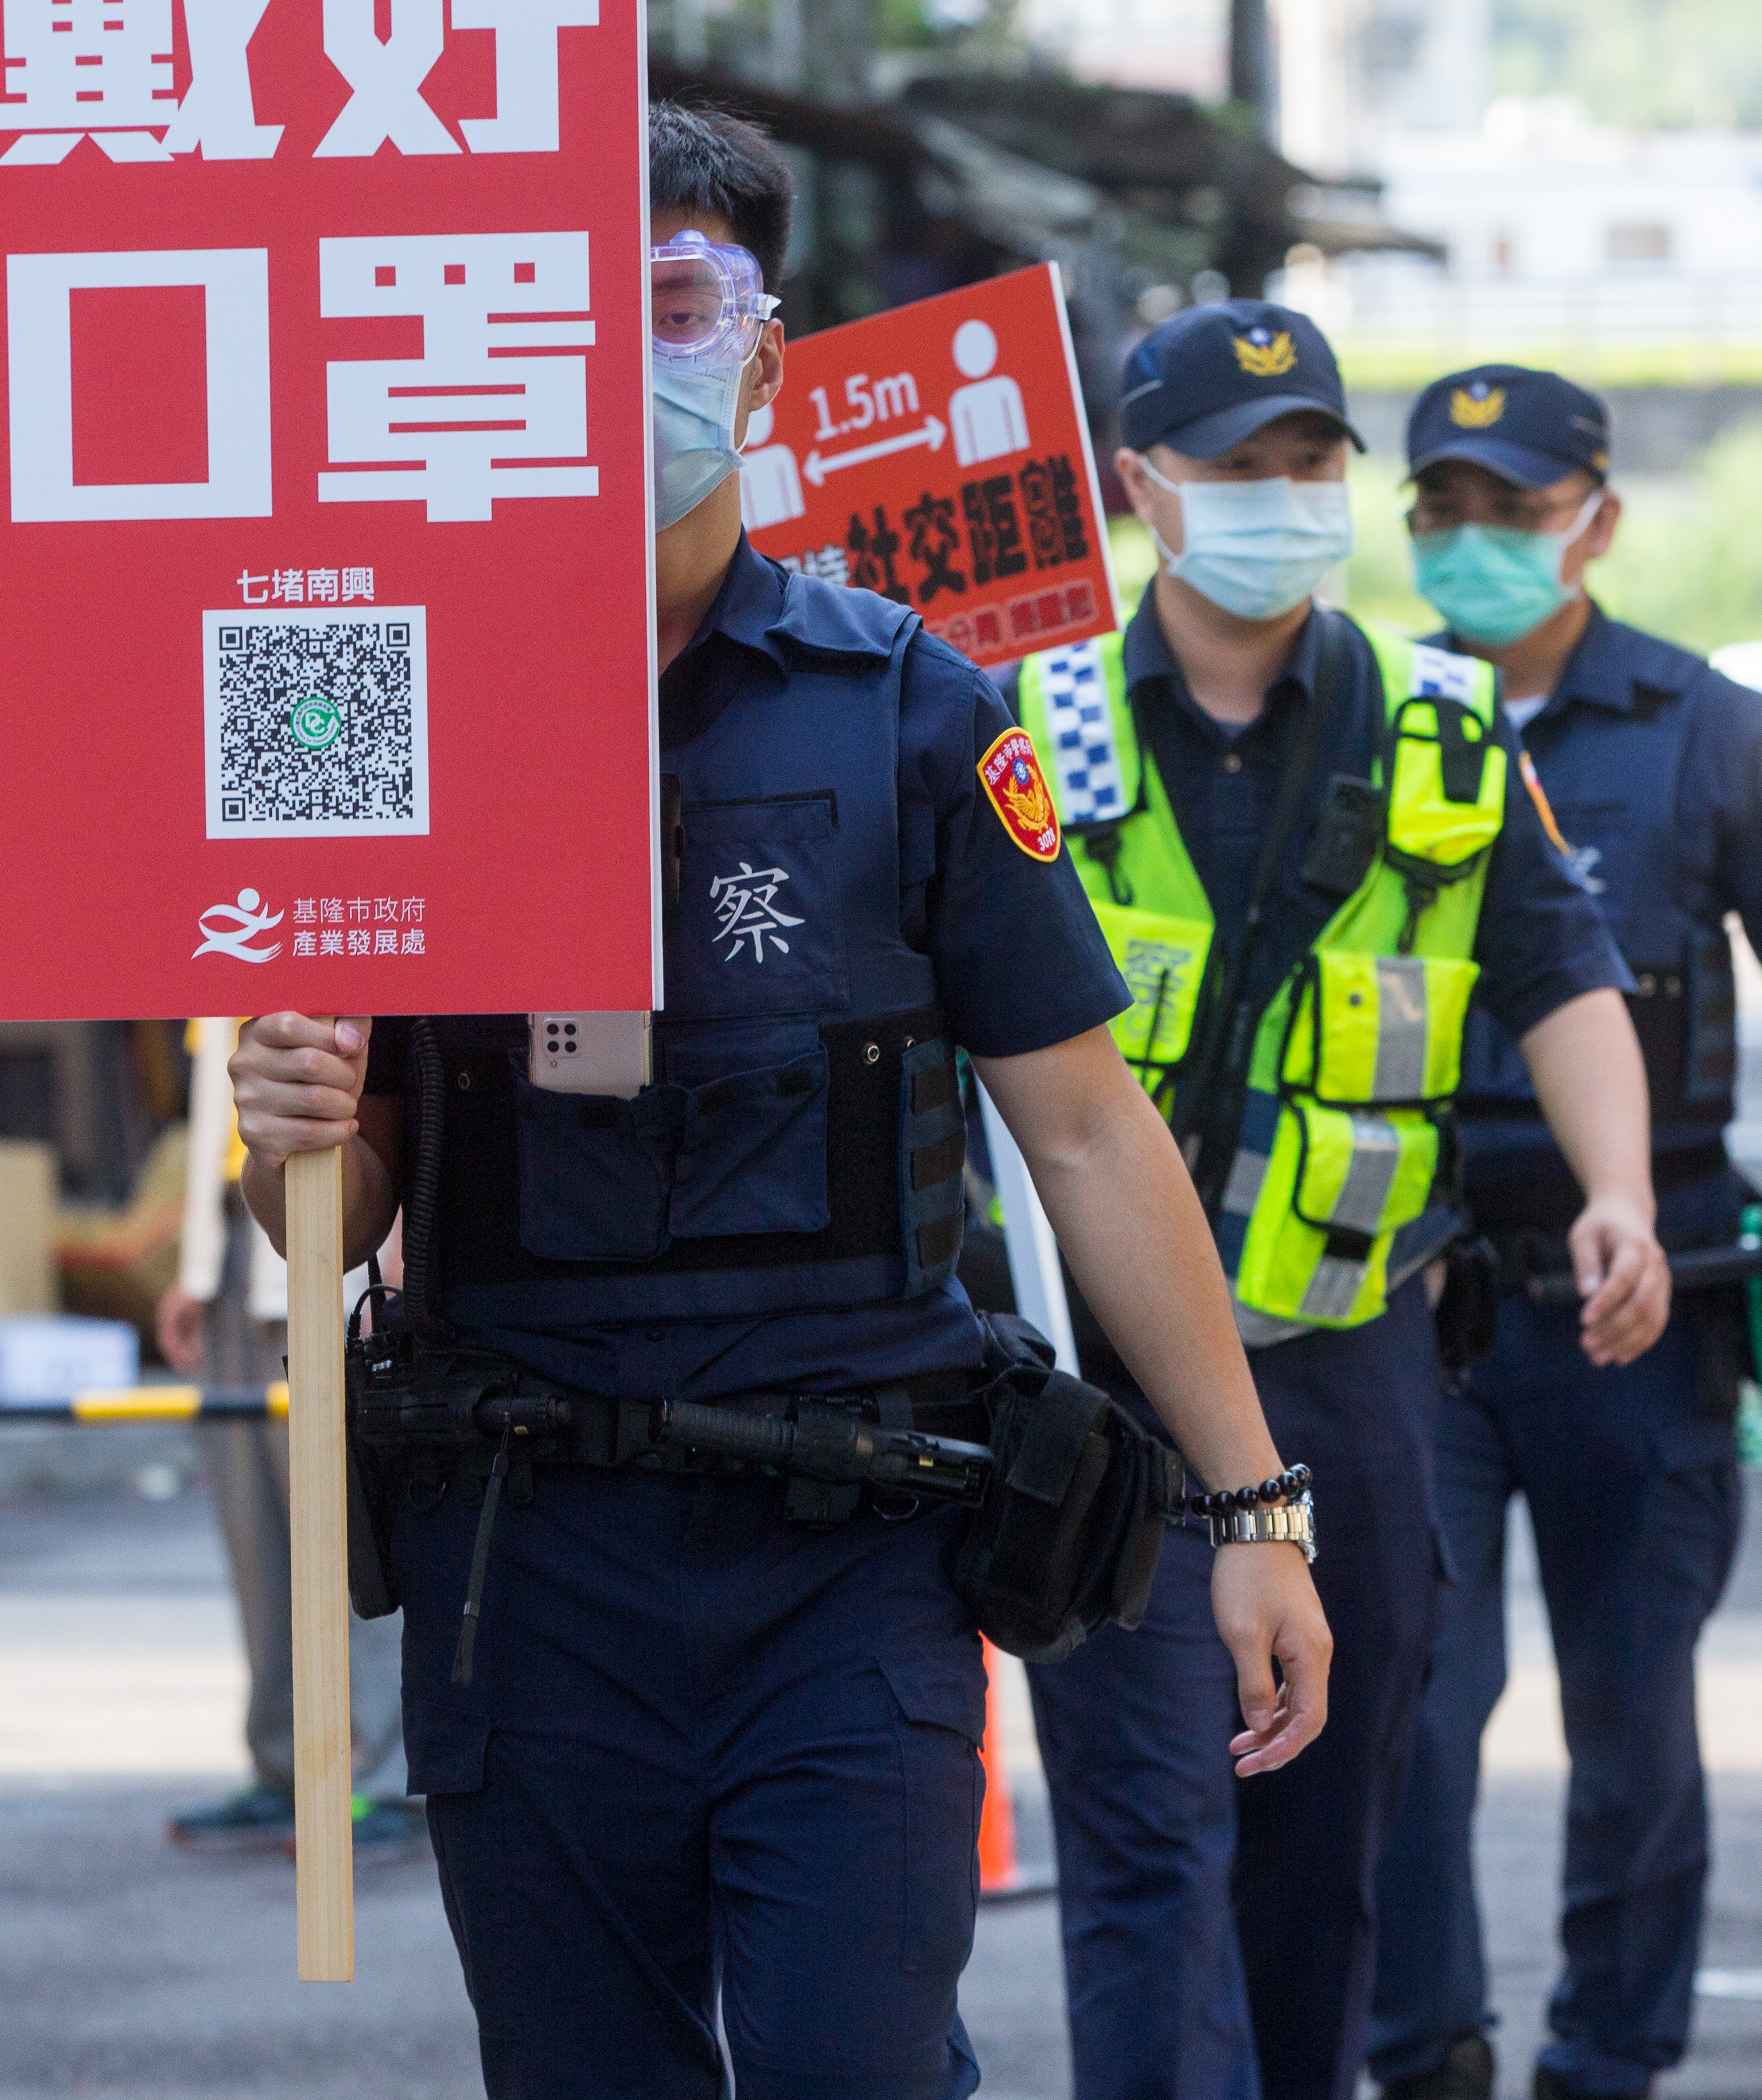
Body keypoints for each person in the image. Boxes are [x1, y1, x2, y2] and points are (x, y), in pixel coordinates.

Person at [225, 102, 1335, 2100]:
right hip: (520, 1557)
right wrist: (286, 1125)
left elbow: (1081, 1128)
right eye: (563, 307)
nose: (621, 353)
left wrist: (1249, 1504)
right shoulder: (379, 694)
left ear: (756, 346)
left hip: (849, 1554)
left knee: (853, 2068)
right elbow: (341, 1173)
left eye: (669, 301)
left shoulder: (910, 710)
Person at [1007, 304, 1672, 2100]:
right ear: (1140, 489)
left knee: (1318, 1846)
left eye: (1310, 464)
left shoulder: (1447, 730)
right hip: (1102, 1386)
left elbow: (1560, 977)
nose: (1283, 498)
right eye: (1236, 468)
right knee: (1150, 1837)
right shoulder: (1010, 725)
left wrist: (1616, 1186)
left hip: (1348, 1358)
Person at [1363, 367, 1762, 2100]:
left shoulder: (1698, 724)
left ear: (1595, 521)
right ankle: (1420, 2052)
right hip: (1412, 1285)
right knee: (1412, 1697)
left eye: (1511, 506)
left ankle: (1606, 2058)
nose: (1473, 540)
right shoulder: (1368, 711)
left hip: (1650, 1298)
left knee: (1631, 1719)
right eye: (1442, 508)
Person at [155, 1018, 416, 1855]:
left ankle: (374, 1773)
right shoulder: (224, 917)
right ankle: (283, 1767)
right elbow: (218, 1109)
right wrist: (198, 1268)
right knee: (258, 1536)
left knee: (340, 1535)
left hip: (329, 1253)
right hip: (240, 1256)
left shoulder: (334, 912)